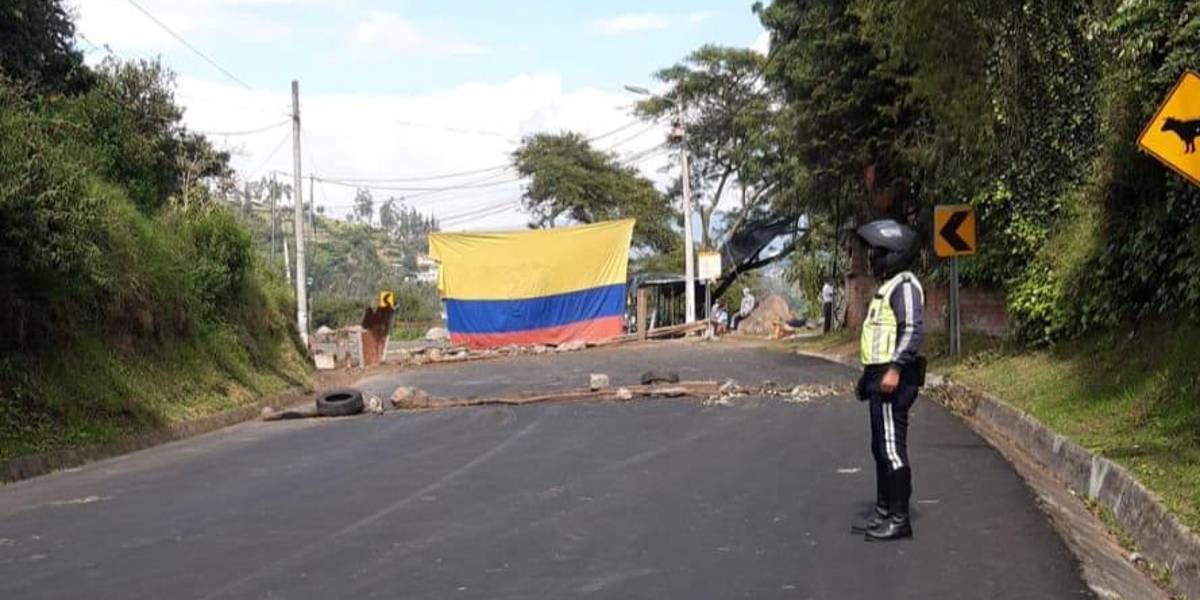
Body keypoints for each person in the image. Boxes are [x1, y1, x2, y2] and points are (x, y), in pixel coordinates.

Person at [850, 218, 926, 542]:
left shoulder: (905, 287)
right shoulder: (889, 286)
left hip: (895, 378)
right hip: (880, 377)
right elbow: (879, 337)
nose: (874, 258)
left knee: (893, 448)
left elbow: (911, 330)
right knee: (879, 446)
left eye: (879, 252)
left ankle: (899, 519)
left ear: (895, 253)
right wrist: (867, 378)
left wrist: (895, 368)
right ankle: (883, 511)